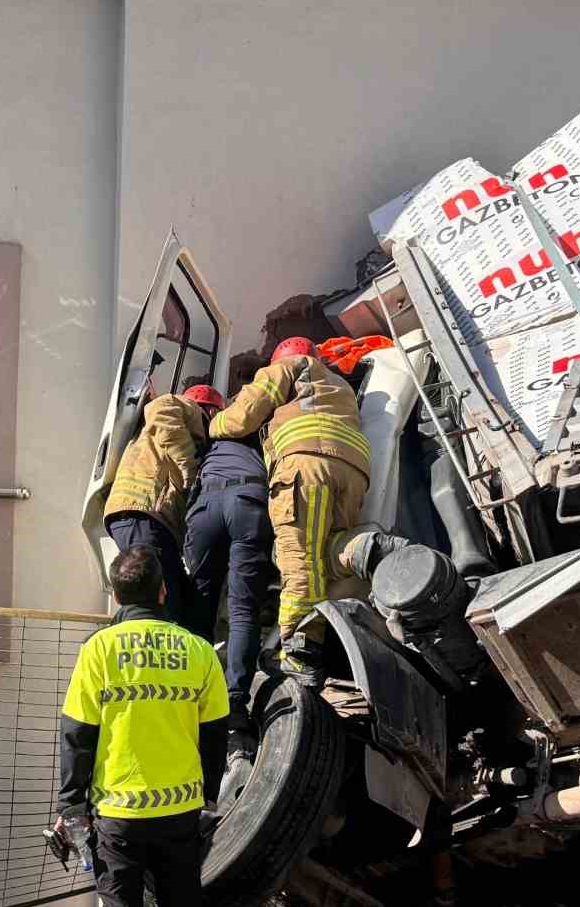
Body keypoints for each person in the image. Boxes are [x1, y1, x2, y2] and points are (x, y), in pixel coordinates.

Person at [55, 546, 230, 907]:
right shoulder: (197, 651)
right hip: (180, 813)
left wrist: (72, 806)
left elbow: (77, 734)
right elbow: (216, 734)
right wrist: (209, 800)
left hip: (118, 816)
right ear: (162, 591)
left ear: (114, 593)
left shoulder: (99, 650)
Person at [208, 336, 404, 686]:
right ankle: (363, 548)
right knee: (324, 552)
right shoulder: (340, 384)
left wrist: (212, 425)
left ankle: (300, 650)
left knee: (297, 557)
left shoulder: (284, 367)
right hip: (354, 471)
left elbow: (241, 419)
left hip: (304, 466)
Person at [182, 426, 274, 799]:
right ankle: (235, 699)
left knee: (199, 608)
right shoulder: (262, 435)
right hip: (249, 501)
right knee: (242, 611)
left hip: (205, 507)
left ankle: (191, 692)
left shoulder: (210, 443)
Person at [103, 384, 226, 625]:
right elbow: (161, 407)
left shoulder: (153, 437)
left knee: (174, 594)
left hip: (139, 516)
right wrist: (190, 467)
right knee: (161, 604)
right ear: (211, 411)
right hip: (145, 513)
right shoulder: (190, 409)